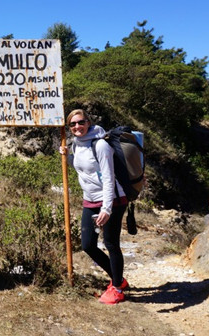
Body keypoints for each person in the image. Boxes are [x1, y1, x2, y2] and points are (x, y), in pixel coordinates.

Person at [60, 109, 129, 304]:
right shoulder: (76, 144)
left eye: (80, 122)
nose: (77, 127)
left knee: (111, 244)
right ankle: (119, 279)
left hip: (112, 200)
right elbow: (84, 166)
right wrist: (67, 154)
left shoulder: (100, 145)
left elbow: (108, 177)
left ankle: (116, 289)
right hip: (90, 200)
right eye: (72, 124)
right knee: (88, 245)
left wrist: (107, 209)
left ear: (88, 122)